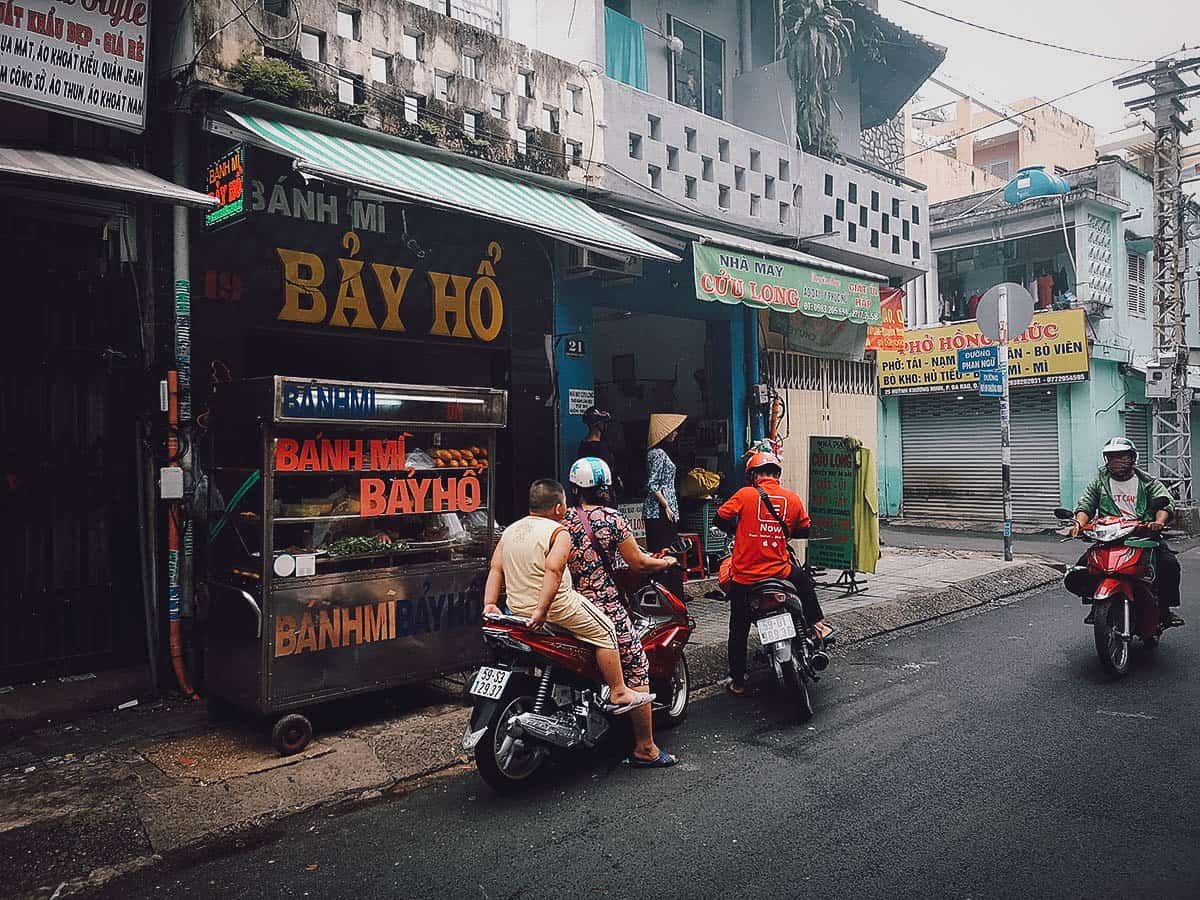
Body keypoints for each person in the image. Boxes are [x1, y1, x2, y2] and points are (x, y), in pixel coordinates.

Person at [482, 479, 653, 713]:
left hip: (518, 610)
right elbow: (553, 569)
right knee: (606, 630)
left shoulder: (511, 530)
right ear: (558, 508)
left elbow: (495, 568)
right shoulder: (558, 532)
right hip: (557, 607)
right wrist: (541, 610)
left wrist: (490, 603)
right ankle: (619, 690)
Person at [565, 457, 679, 768]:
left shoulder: (562, 519)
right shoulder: (613, 520)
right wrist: (666, 563)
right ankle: (645, 747)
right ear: (606, 487)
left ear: (574, 488)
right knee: (637, 663)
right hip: (604, 606)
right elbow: (638, 563)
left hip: (568, 604)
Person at [715, 451, 833, 697]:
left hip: (745, 576)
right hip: (779, 570)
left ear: (753, 475)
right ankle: (819, 626)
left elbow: (720, 518)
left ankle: (737, 681)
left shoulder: (745, 494)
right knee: (803, 581)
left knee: (738, 629)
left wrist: (739, 530)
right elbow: (804, 529)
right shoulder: (791, 498)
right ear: (777, 474)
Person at [1070, 437, 1183, 627]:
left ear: (1132, 458)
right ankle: (1098, 605)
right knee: (1083, 568)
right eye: (1112, 457)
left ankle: (1165, 610)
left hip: (1142, 536)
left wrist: (1158, 521)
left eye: (1121, 457)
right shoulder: (1099, 482)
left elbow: (1164, 500)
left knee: (1169, 565)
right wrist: (1078, 524)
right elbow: (1086, 505)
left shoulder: (1147, 482)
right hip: (1109, 537)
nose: (1116, 461)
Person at [644, 413, 687, 553]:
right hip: (660, 510)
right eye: (673, 430)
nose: (676, 433)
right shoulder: (658, 454)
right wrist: (666, 506)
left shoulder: (657, 452)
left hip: (662, 508)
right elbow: (653, 484)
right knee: (664, 549)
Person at [577, 407, 621, 495]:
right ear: (599, 424)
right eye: (604, 423)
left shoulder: (583, 446)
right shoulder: (601, 448)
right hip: (603, 493)